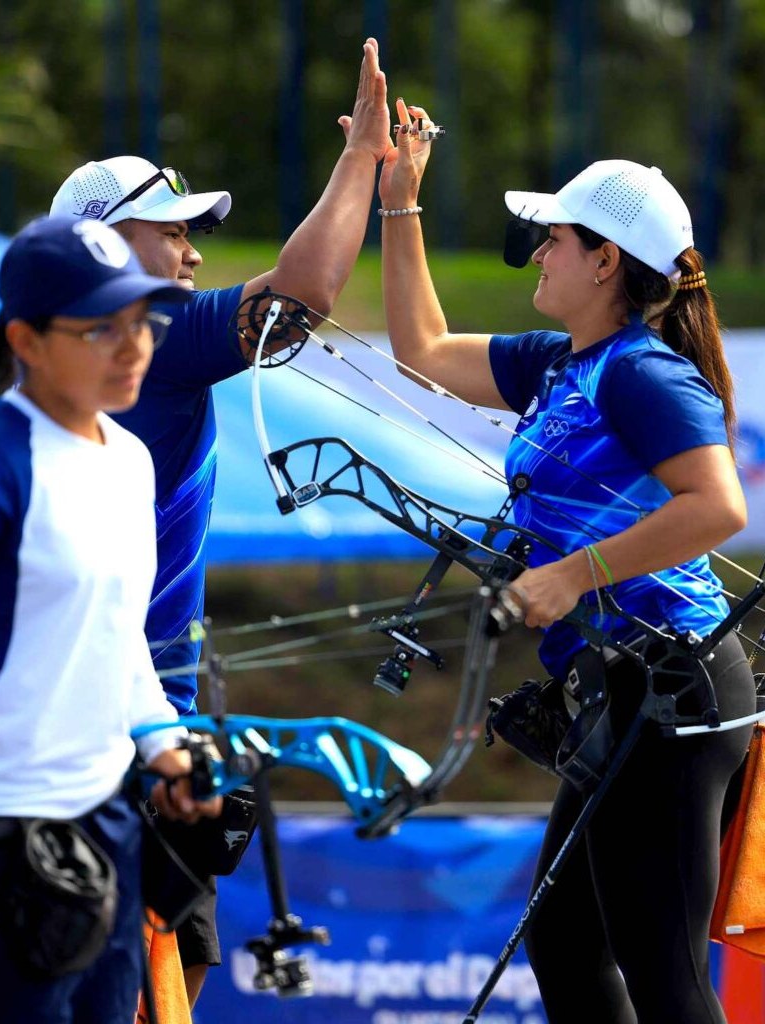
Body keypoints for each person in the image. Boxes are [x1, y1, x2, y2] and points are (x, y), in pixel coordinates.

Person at [379, 100, 756, 1024]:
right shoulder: (559, 362)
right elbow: (419, 352)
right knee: (568, 947)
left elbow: (718, 507)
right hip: (617, 689)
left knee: (664, 973)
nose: (539, 252)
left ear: (606, 261)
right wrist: (400, 203)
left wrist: (572, 572)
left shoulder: (642, 371)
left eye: (556, 239)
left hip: (674, 689)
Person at [47, 37, 391, 1004]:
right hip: (95, 726)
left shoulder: (87, 342)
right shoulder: (150, 332)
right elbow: (307, 293)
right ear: (105, 249)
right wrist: (362, 160)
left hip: (155, 705)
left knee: (168, 945)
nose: (193, 250)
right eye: (172, 231)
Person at [0, 215, 222, 1024]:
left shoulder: (131, 460)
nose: (133, 345)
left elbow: (119, 634)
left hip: (108, 823)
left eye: (142, 320)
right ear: (25, 339)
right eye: (101, 328)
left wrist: (164, 744)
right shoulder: (4, 465)